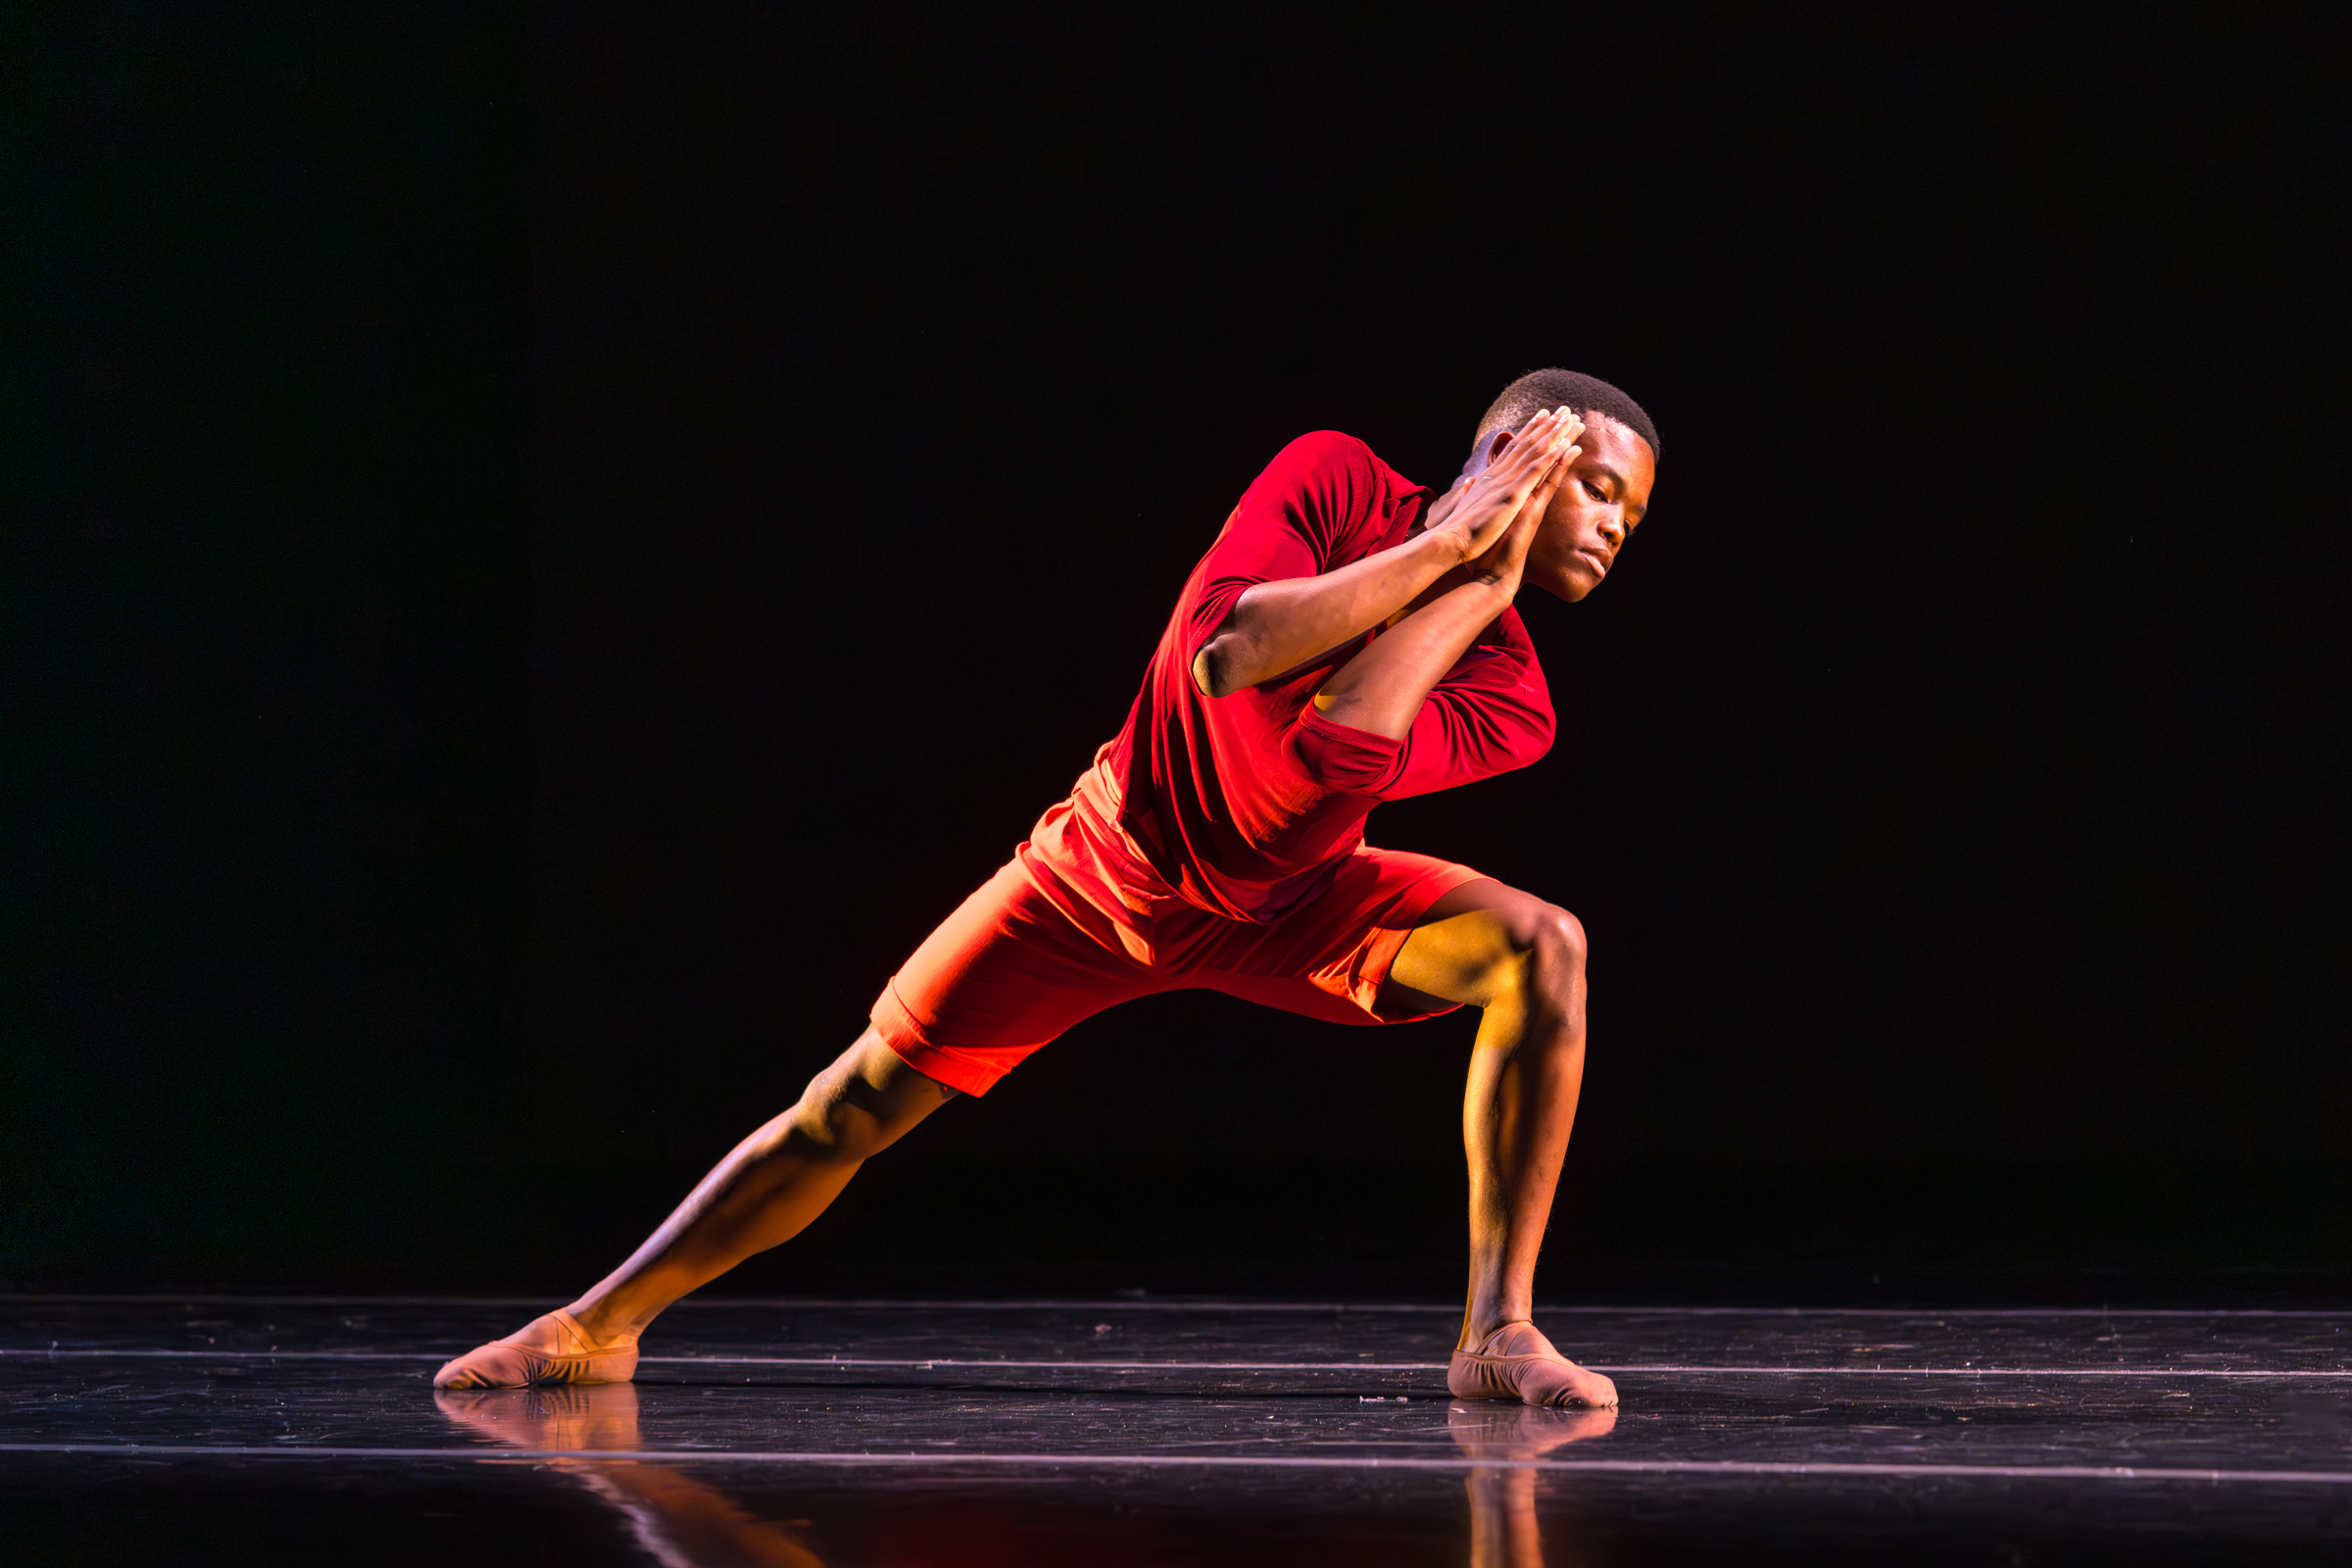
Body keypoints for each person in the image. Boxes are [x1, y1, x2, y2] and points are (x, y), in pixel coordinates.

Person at [435, 368, 1661, 1408]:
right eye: (1598, 488)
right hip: (1101, 873)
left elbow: (1320, 767)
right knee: (849, 1106)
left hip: (1292, 905)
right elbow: (1234, 655)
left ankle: (1494, 1335)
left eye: (1631, 515)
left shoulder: (1516, 693)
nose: (1612, 530)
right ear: (1519, 452)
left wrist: (1479, 586)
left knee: (1542, 945)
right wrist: (1454, 544)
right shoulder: (1335, 480)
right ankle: (597, 1326)